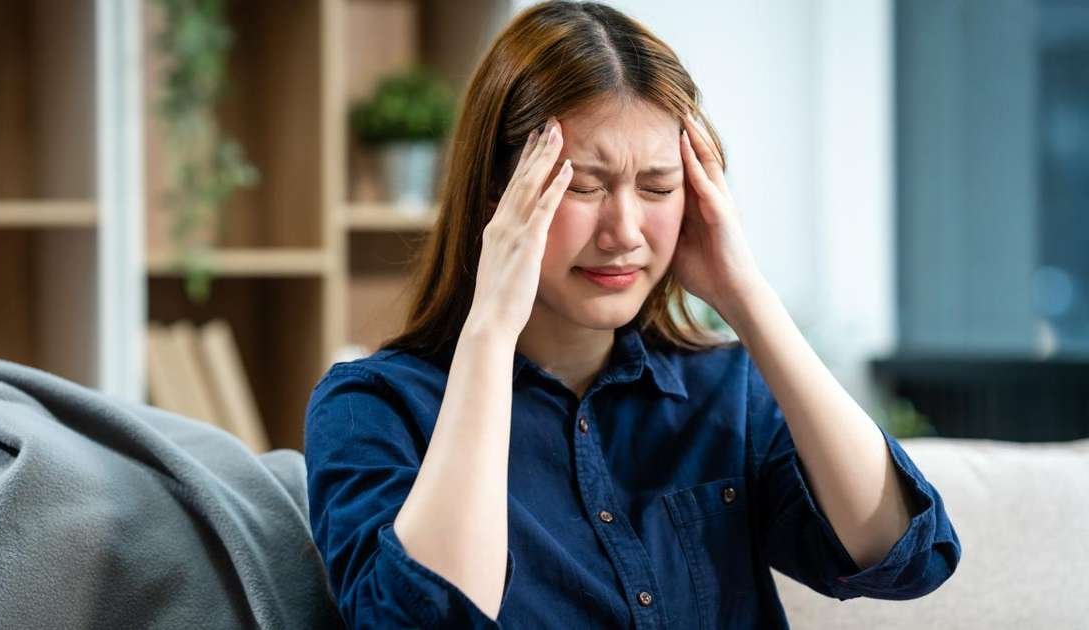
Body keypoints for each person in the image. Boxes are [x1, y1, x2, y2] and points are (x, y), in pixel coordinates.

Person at [304, 2, 961, 627]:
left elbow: (905, 556)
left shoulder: (725, 392)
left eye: (658, 187)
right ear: (495, 198)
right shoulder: (373, 406)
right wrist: (490, 331)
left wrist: (745, 294)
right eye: (583, 186)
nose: (624, 232)